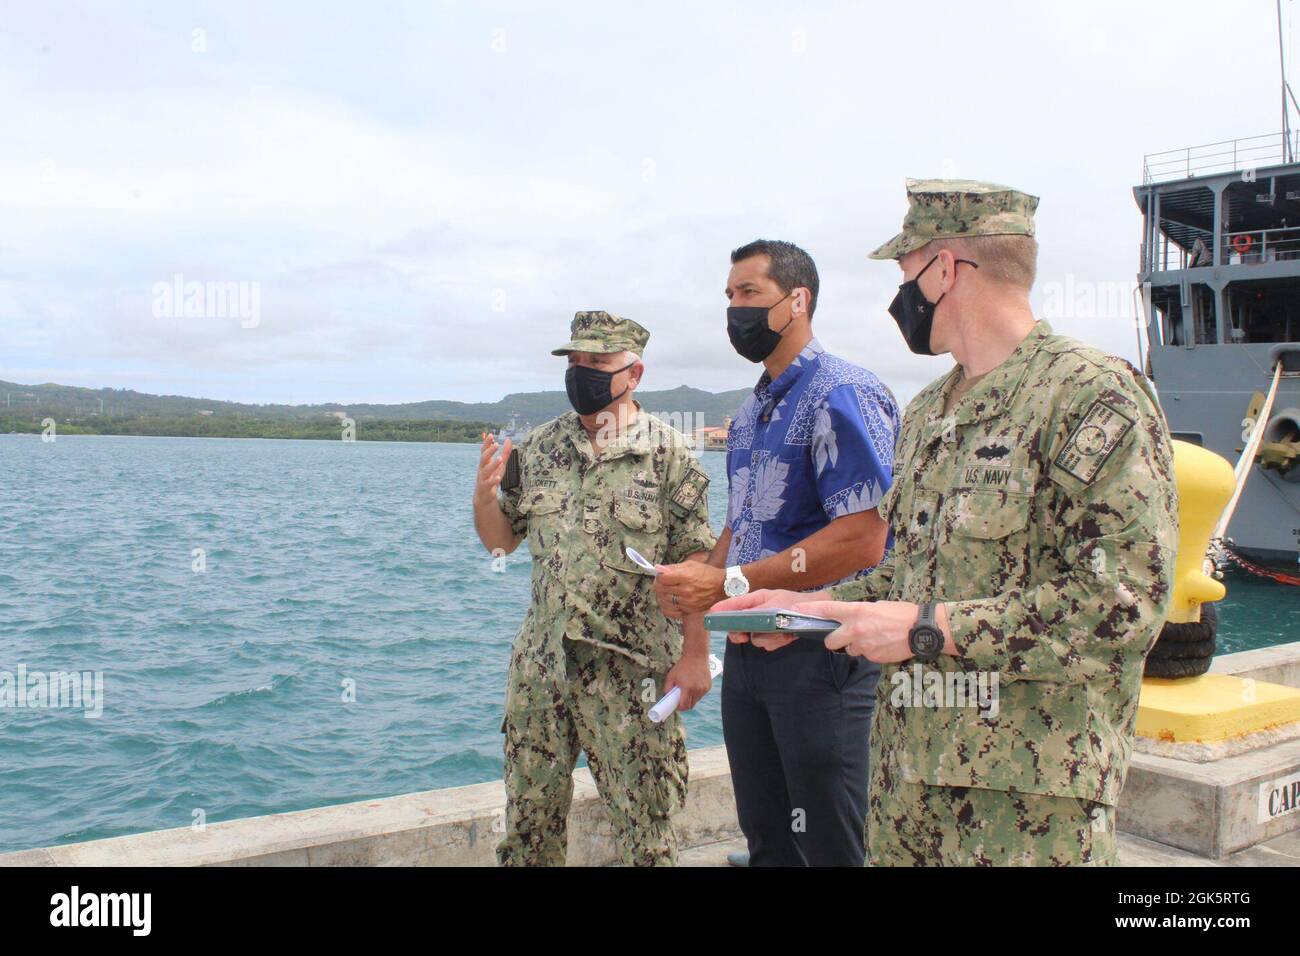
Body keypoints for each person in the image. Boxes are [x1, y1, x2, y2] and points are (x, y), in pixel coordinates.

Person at [711, 180, 1178, 866]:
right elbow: (906, 574)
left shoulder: (1092, 397)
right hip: (907, 792)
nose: (898, 296)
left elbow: (1123, 606)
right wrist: (810, 607)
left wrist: (930, 629)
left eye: (905, 273)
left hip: (1025, 807)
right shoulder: (930, 412)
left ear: (945, 268)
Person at [654, 240, 900, 866]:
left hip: (822, 652)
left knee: (827, 844)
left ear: (798, 301)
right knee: (765, 836)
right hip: (748, 653)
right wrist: (697, 586)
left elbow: (864, 536)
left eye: (750, 294)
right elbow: (743, 525)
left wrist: (729, 583)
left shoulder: (842, 393)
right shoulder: (750, 412)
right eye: (730, 297)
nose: (735, 310)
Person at [473, 310, 717, 866]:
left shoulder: (670, 453)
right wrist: (485, 497)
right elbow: (501, 543)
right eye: (575, 361)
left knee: (646, 835)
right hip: (543, 669)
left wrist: (696, 655)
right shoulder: (537, 449)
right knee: (529, 830)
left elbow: (697, 565)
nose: (581, 372)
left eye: (598, 362)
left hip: (632, 672)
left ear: (634, 374)